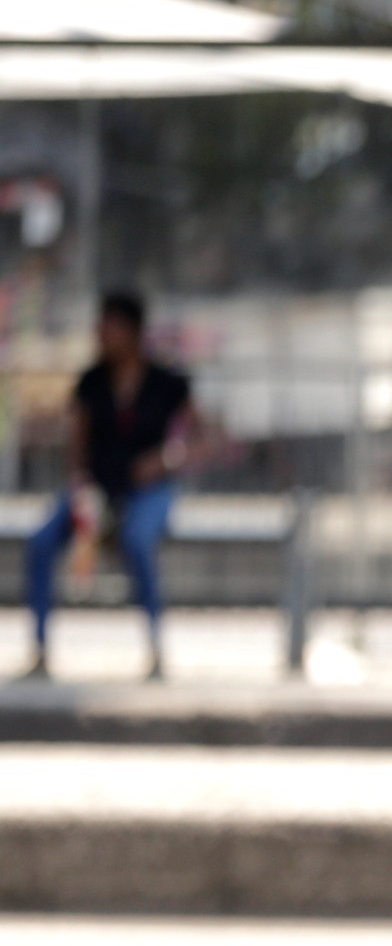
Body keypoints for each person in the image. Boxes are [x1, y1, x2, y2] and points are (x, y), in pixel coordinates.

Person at [25, 290, 198, 682]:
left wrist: (165, 459)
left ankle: (155, 646)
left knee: (138, 540)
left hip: (148, 490)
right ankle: (38, 648)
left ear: (132, 331)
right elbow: (77, 442)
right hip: (98, 487)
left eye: (110, 326)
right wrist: (81, 484)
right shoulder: (92, 382)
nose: (102, 334)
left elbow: (198, 436)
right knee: (40, 542)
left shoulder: (165, 383)